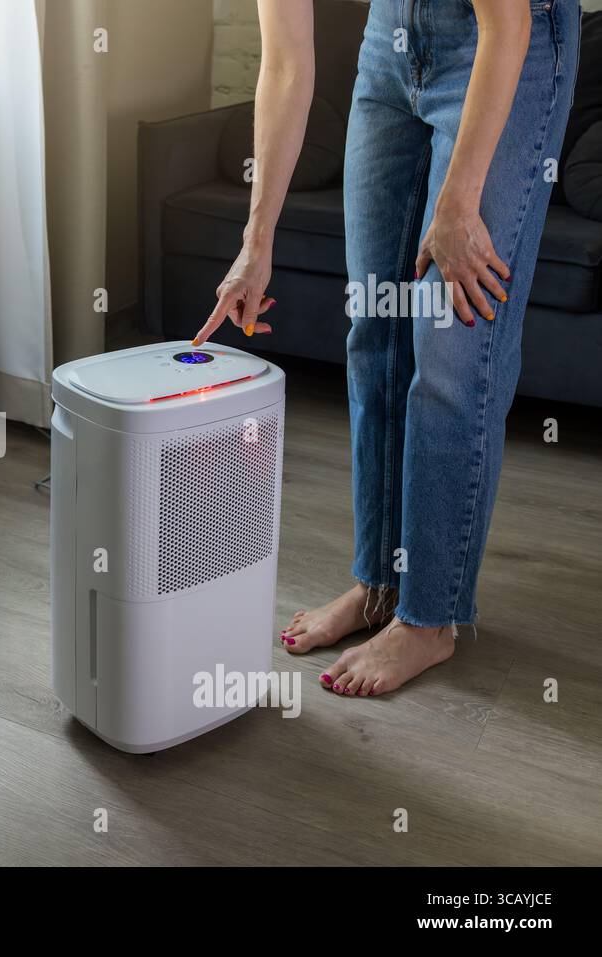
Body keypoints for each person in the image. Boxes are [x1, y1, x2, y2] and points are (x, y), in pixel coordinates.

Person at [194, 0, 580, 696]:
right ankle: (378, 582)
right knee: (373, 330)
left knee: (451, 347)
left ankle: (430, 618)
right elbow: (284, 63)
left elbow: (508, 23)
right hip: (391, 40)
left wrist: (459, 206)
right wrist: (256, 244)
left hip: (503, 44)